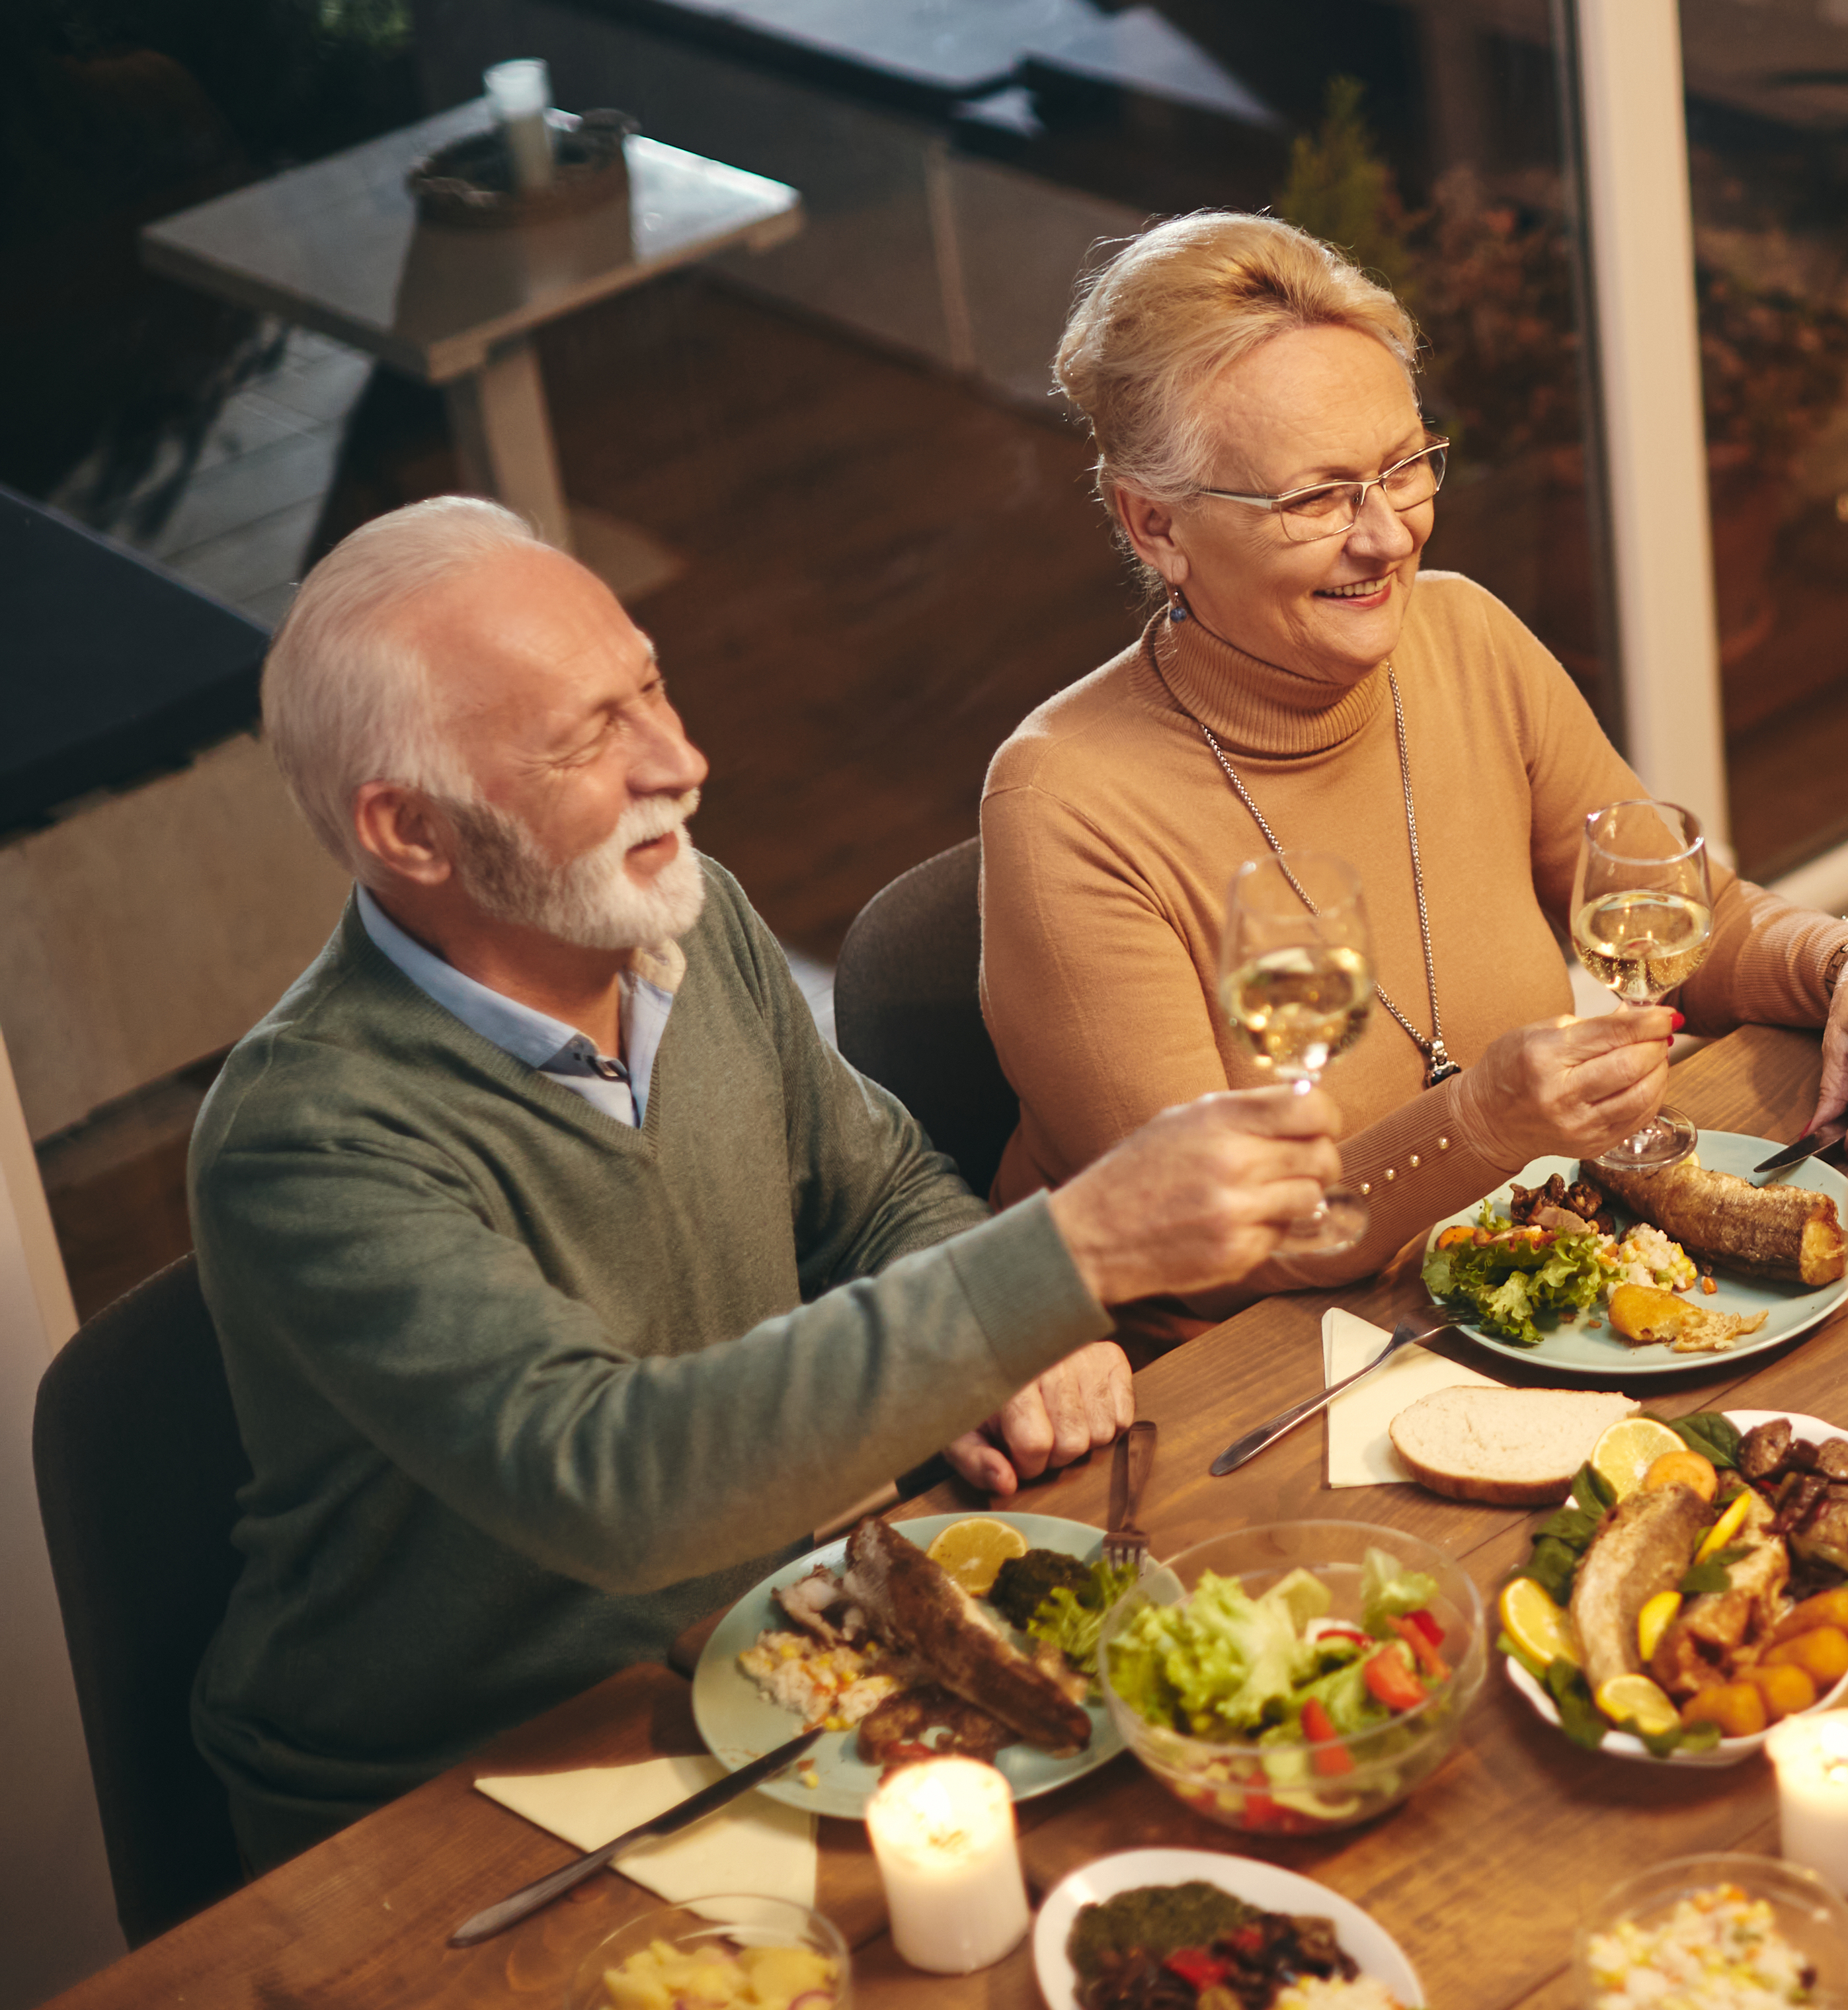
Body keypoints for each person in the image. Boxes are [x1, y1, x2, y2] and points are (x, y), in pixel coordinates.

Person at [194, 499, 1343, 1865]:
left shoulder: (689, 915)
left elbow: (879, 1194)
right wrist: (1067, 1258)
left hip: (760, 1669)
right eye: (586, 739)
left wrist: (983, 1346)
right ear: (411, 832)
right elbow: (614, 1482)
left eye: (651, 687)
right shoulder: (308, 1136)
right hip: (448, 1800)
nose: (680, 760)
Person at [979, 211, 1848, 1332]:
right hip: (1235, 1385)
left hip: (1510, 1296)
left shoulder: (1464, 637)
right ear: (1153, 524)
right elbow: (1205, 1248)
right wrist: (1482, 1125)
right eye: (1317, 497)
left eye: (1404, 468)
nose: (1389, 537)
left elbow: (1687, 927)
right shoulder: (1063, 804)